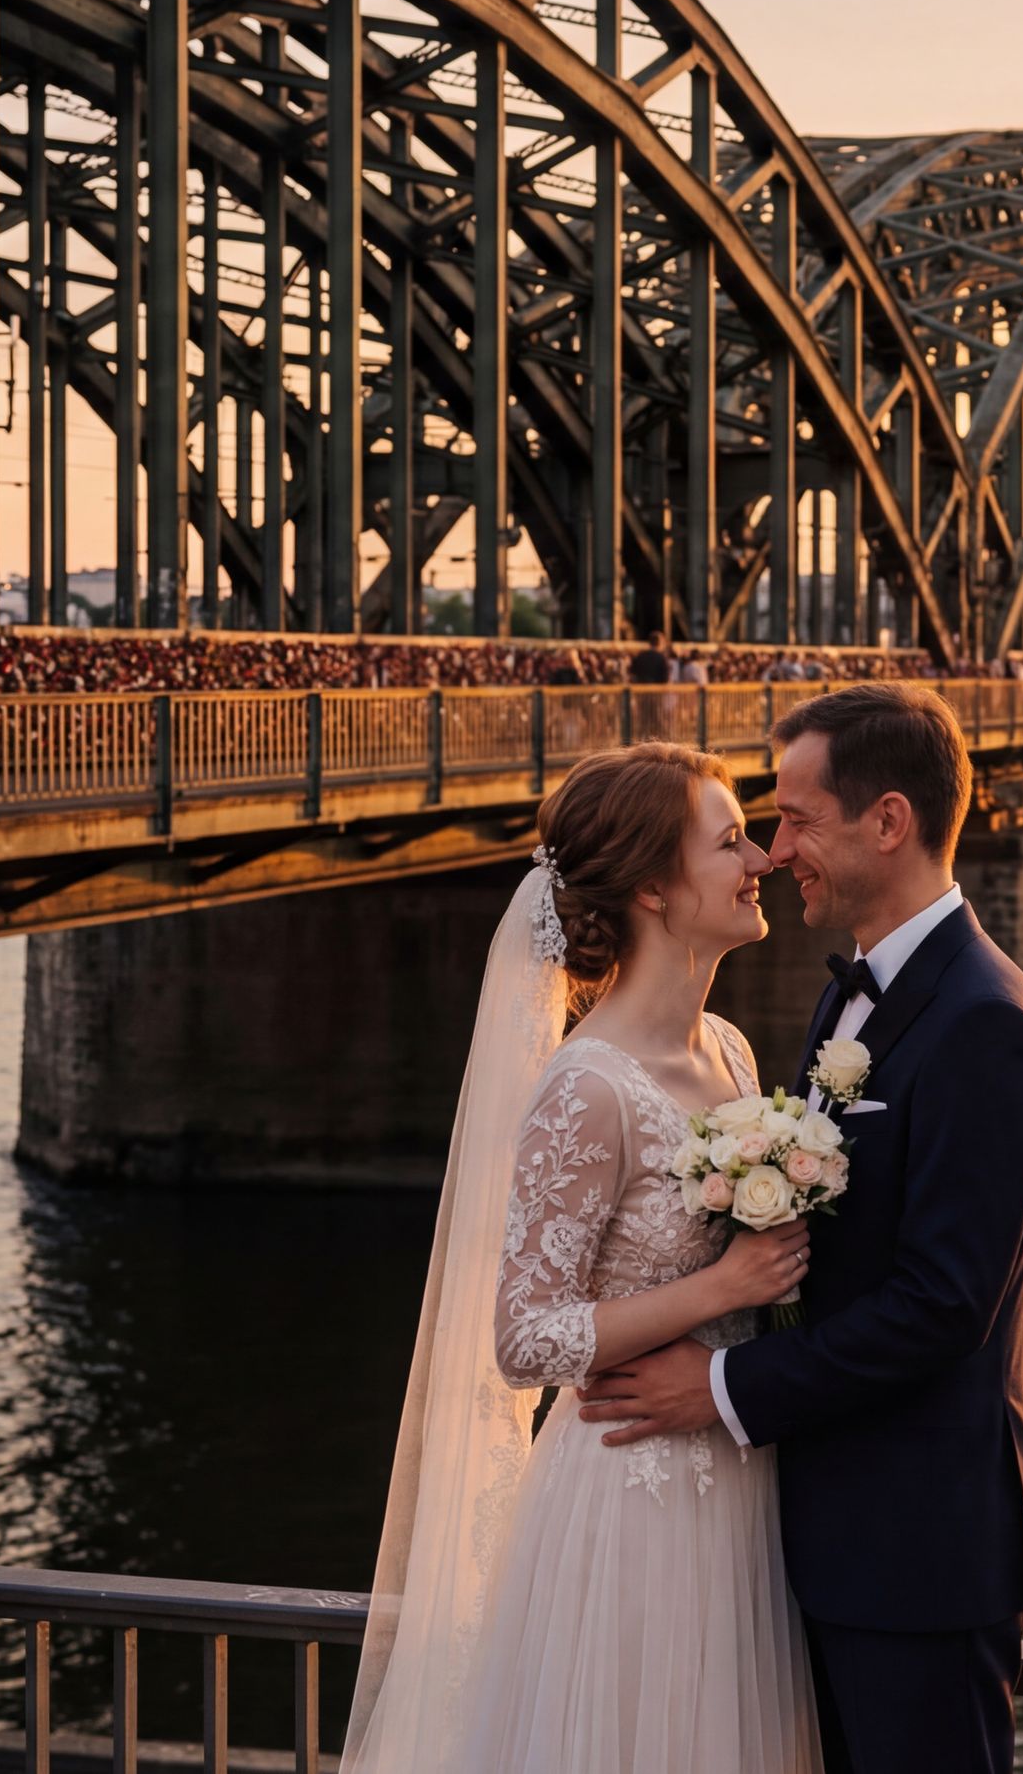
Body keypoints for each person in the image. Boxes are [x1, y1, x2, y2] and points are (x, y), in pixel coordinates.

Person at [579, 683, 1023, 1774]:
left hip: (918, 1557)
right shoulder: (850, 1000)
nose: (774, 848)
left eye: (796, 819)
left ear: (888, 822)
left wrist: (717, 1389)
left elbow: (943, 1306)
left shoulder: (984, 1019)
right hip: (814, 1544)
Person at [342, 743, 820, 1774]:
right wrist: (724, 1287)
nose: (761, 860)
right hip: (630, 1498)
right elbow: (526, 1336)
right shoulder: (586, 1086)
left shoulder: (731, 1051)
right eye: (729, 839)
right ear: (653, 886)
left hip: (741, 1483)